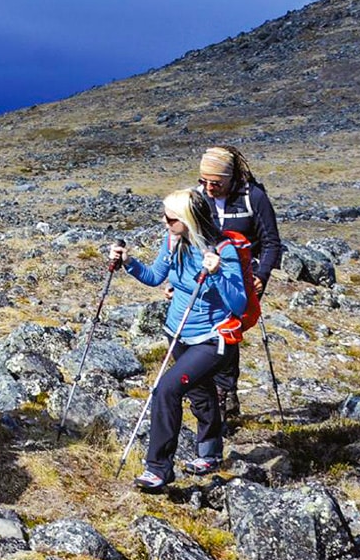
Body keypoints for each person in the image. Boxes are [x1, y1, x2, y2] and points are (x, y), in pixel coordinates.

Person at [111, 189, 249, 493]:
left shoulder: (222, 250)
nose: (164, 222)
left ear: (188, 221)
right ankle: (210, 453)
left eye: (170, 218)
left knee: (166, 390)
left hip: (212, 340)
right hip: (177, 333)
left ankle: (158, 469)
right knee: (200, 393)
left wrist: (215, 274)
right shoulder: (173, 240)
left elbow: (238, 304)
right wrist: (128, 262)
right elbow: (155, 276)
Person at [195, 145, 281, 426]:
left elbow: (270, 242)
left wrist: (263, 274)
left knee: (228, 332)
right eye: (204, 181)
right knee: (207, 333)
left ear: (231, 178)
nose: (209, 188)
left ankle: (224, 397)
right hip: (207, 276)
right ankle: (213, 398)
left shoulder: (253, 198)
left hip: (244, 278)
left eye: (216, 183)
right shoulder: (197, 198)